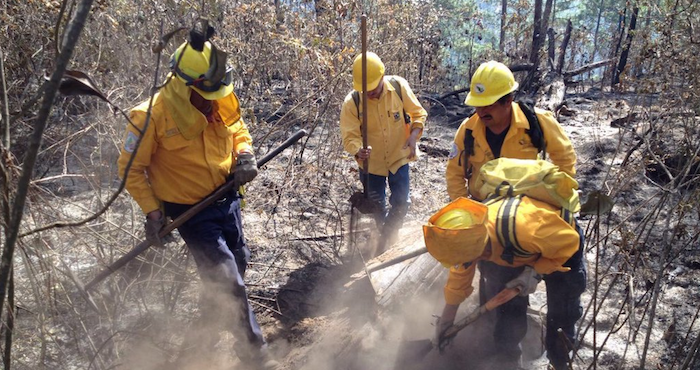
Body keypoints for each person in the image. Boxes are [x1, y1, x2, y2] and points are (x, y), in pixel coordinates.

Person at [117, 34, 280, 370]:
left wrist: (245, 154)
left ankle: (202, 337)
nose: (212, 103)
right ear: (183, 84)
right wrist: (152, 213)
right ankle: (256, 356)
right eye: (204, 96)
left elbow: (238, 130)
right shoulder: (151, 116)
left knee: (238, 263)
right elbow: (132, 170)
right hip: (192, 214)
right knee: (228, 281)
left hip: (228, 199)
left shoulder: (219, 96)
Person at [443, 61, 580, 367]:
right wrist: (464, 211)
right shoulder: (468, 131)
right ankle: (507, 358)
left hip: (543, 228)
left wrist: (558, 197)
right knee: (503, 303)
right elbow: (454, 174)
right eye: (476, 105)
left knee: (564, 301)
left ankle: (560, 357)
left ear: (508, 100)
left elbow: (565, 159)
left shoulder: (537, 123)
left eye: (488, 105)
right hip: (492, 224)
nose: (480, 112)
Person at [425, 196, 586, 369]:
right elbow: (460, 276)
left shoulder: (526, 231)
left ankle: (560, 363)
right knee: (508, 314)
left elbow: (570, 242)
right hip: (515, 250)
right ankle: (508, 361)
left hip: (562, 247)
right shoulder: (465, 238)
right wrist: (447, 319)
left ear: (479, 248)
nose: (465, 263)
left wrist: (535, 271)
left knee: (562, 316)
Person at [339, 52, 428, 252]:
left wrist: (413, 136)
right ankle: (384, 241)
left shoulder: (398, 87)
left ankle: (389, 237)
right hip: (371, 166)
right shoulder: (352, 102)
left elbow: (418, 113)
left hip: (399, 157)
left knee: (402, 202)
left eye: (372, 88)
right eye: (365, 90)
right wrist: (357, 150)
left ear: (381, 77)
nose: (369, 93)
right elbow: (349, 135)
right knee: (377, 207)